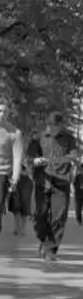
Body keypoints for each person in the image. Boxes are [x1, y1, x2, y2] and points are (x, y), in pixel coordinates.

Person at [28, 112, 78, 261]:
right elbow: (29, 156)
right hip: (43, 181)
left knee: (58, 218)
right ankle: (44, 240)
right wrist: (35, 160)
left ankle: (51, 250)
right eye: (50, 125)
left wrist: (53, 161)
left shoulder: (69, 139)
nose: (52, 128)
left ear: (61, 125)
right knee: (38, 216)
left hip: (61, 182)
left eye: (56, 126)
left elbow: (73, 156)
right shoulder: (38, 137)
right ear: (47, 124)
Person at [0, 95, 24, 235]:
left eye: (4, 111)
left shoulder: (14, 133)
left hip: (2, 174)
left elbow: (17, 157)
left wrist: (14, 179)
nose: (1, 114)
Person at [8, 163, 33, 236]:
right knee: (15, 206)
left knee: (24, 207)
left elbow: (30, 171)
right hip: (16, 182)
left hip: (26, 183)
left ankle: (22, 228)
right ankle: (16, 227)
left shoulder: (29, 158)